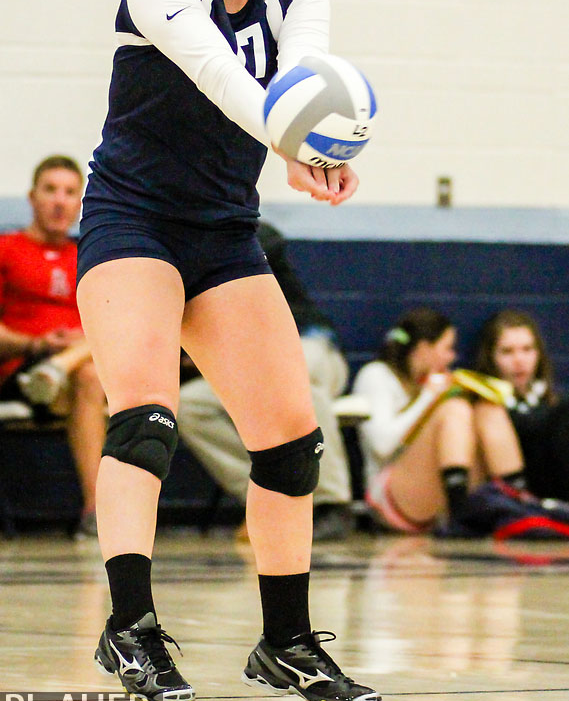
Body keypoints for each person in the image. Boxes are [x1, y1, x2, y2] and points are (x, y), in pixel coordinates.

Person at [75, 0, 381, 701]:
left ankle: (285, 643)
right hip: (133, 219)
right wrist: (288, 135)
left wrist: (315, 152)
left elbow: (300, 81)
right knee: (146, 419)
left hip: (222, 232)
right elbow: (220, 77)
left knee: (292, 439)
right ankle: (128, 626)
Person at [178, 220, 354, 542]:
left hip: (310, 345)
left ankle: (332, 505)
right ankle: (271, 497)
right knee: (188, 405)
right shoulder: (164, 249)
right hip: (247, 365)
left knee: (297, 380)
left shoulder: (247, 230)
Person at [0, 155, 106, 536]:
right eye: (51, 190)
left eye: (70, 192)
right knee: (91, 374)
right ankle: (98, 512)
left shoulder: (92, 257)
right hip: (25, 372)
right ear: (32, 197)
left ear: (81, 203)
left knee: (93, 368)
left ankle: (65, 364)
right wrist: (37, 345)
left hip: (87, 373)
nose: (60, 201)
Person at [351, 307, 528, 533]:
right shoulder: (376, 375)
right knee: (455, 408)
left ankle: (519, 502)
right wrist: (429, 397)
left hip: (433, 498)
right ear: (424, 349)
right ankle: (460, 515)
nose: (451, 357)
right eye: (447, 348)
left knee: (487, 408)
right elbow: (382, 446)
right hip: (390, 497)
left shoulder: (428, 381)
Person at [476, 309, 569, 502]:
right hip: (515, 500)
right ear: (491, 357)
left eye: (527, 349)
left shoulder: (556, 404)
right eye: (507, 352)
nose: (519, 360)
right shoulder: (485, 408)